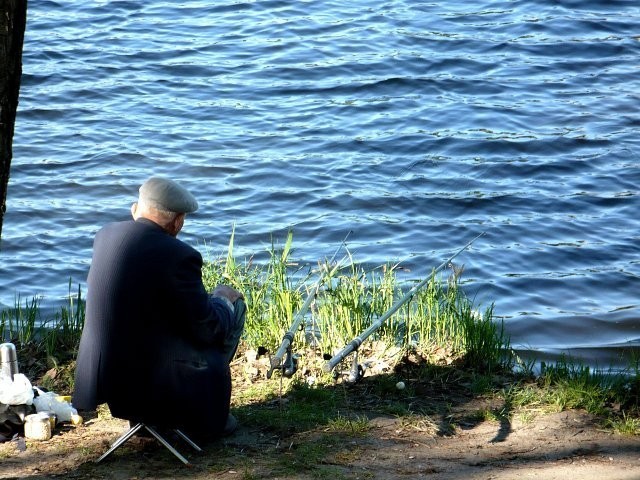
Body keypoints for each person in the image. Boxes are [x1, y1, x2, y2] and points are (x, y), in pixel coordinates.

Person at [72, 176, 245, 440]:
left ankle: (148, 419)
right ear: (178, 222)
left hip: (111, 382)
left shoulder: (105, 236)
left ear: (135, 209)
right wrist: (222, 299)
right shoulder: (179, 255)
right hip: (152, 384)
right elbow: (209, 327)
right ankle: (202, 413)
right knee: (233, 306)